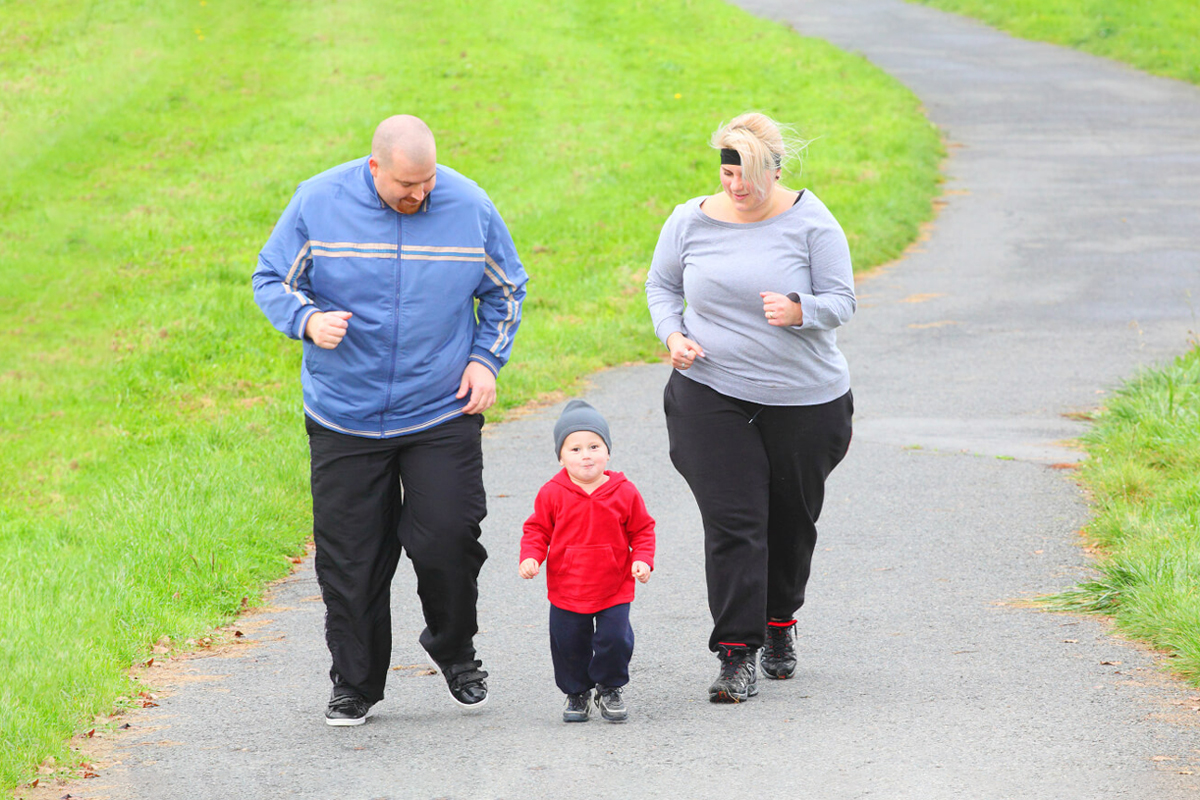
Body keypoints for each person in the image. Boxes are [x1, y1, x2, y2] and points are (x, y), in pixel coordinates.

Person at [252, 114, 528, 726]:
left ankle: (454, 649)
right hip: (344, 414)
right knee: (351, 560)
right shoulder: (318, 202)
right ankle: (356, 683)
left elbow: (507, 290)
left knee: (449, 538)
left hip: (439, 408)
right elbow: (271, 278)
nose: (420, 194)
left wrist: (485, 361)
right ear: (374, 167)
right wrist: (306, 320)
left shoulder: (469, 205)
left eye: (427, 181)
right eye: (407, 184)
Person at [644, 112, 854, 703]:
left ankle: (779, 620)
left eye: (751, 174)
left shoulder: (811, 222)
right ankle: (736, 653)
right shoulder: (690, 220)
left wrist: (800, 310)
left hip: (804, 401)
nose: (737, 186)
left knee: (790, 524)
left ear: (777, 169)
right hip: (710, 391)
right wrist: (672, 335)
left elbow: (843, 299)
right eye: (729, 171)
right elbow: (661, 286)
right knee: (735, 523)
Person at [519, 400, 656, 723]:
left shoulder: (624, 492)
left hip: (614, 585)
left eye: (594, 446)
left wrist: (644, 560)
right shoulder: (552, 493)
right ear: (561, 456)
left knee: (614, 640)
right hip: (568, 586)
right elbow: (537, 529)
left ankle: (610, 687)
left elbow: (643, 529)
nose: (586, 455)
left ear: (607, 452)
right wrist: (531, 556)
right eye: (575, 448)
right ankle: (577, 692)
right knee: (568, 643)